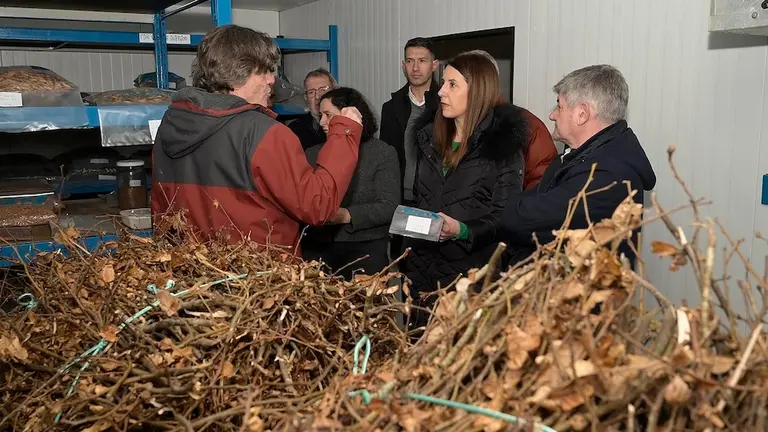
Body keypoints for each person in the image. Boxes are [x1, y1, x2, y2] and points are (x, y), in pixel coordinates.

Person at [151, 25, 363, 253]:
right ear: (239, 72)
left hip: (190, 267)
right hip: (255, 271)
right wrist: (345, 133)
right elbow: (317, 205)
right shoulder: (263, 132)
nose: (272, 80)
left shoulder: (171, 124)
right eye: (264, 71)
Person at [404, 51, 529, 331]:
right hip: (423, 274)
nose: (441, 92)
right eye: (443, 83)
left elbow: (506, 218)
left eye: (452, 85)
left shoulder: (503, 149)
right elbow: (421, 198)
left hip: (471, 279)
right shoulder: (429, 140)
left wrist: (461, 230)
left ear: (477, 92)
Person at [501, 65, 656, 267]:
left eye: (559, 106)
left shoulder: (607, 175)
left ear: (582, 114)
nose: (552, 115)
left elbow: (518, 220)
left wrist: (512, 211)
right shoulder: (576, 157)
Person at [302, 88, 401, 279]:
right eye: (321, 115)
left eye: (328, 115)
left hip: (366, 249)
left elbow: (389, 206)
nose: (322, 122)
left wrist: (347, 215)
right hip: (317, 249)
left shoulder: (382, 153)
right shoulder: (312, 154)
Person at [380, 38, 440, 261]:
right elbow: (386, 159)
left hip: (434, 200)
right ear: (403, 65)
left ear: (434, 65)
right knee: (402, 262)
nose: (415, 68)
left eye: (422, 61)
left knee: (430, 263)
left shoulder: (447, 105)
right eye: (410, 61)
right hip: (400, 200)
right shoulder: (391, 108)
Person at [288, 68, 338, 150]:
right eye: (311, 92)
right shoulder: (294, 131)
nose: (317, 97)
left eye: (323, 90)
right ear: (306, 98)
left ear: (335, 92)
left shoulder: (348, 124)